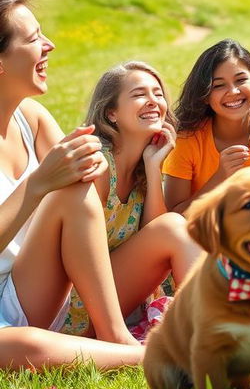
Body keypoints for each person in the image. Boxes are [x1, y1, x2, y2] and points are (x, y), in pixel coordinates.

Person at [0, 0, 142, 371]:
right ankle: (150, 356)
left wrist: (90, 166)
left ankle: (115, 336)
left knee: (73, 194)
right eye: (33, 40)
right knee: (25, 347)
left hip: (28, 287)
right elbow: (46, 183)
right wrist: (39, 183)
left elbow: (77, 193)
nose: (49, 45)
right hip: (12, 325)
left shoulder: (31, 117)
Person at [63, 61, 202, 335]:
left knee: (175, 226)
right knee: (174, 225)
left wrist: (153, 168)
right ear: (111, 113)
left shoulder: (142, 166)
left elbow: (152, 239)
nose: (153, 101)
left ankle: (208, 323)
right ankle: (210, 328)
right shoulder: (99, 166)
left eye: (158, 94)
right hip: (80, 307)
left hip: (116, 296)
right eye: (139, 94)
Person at [164, 39, 250, 214]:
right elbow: (174, 216)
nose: (233, 92)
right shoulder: (186, 141)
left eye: (241, 80)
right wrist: (220, 177)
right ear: (205, 95)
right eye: (219, 85)